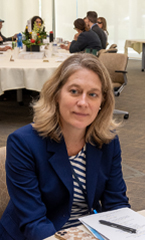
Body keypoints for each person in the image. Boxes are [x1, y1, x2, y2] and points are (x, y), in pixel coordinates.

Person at [0, 54, 130, 239]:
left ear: (102, 102)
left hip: (87, 232)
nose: (83, 102)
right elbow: (33, 221)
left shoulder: (107, 141)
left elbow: (116, 203)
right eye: (74, 91)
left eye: (93, 94)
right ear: (56, 95)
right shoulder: (23, 143)